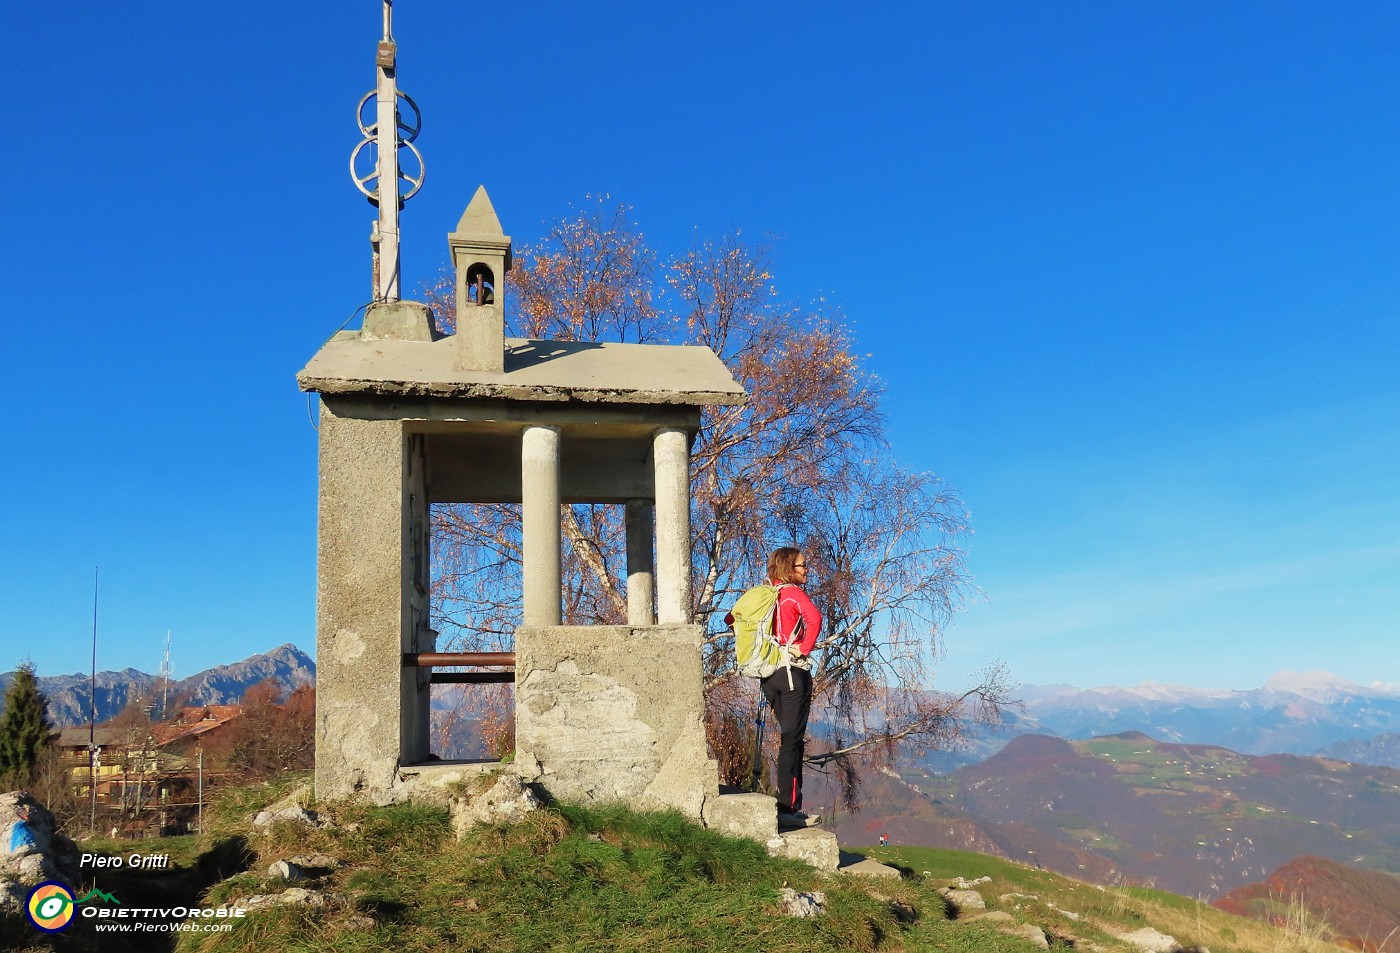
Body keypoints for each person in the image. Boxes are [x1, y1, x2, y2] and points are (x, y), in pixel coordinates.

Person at [761, 546, 821, 828]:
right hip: (792, 671)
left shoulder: (762, 595)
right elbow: (815, 618)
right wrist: (803, 648)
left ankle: (785, 804)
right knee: (792, 740)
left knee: (788, 737)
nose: (807, 570)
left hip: (768, 675)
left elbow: (733, 621)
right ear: (788, 568)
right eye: (801, 565)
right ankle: (788, 807)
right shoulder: (792, 593)